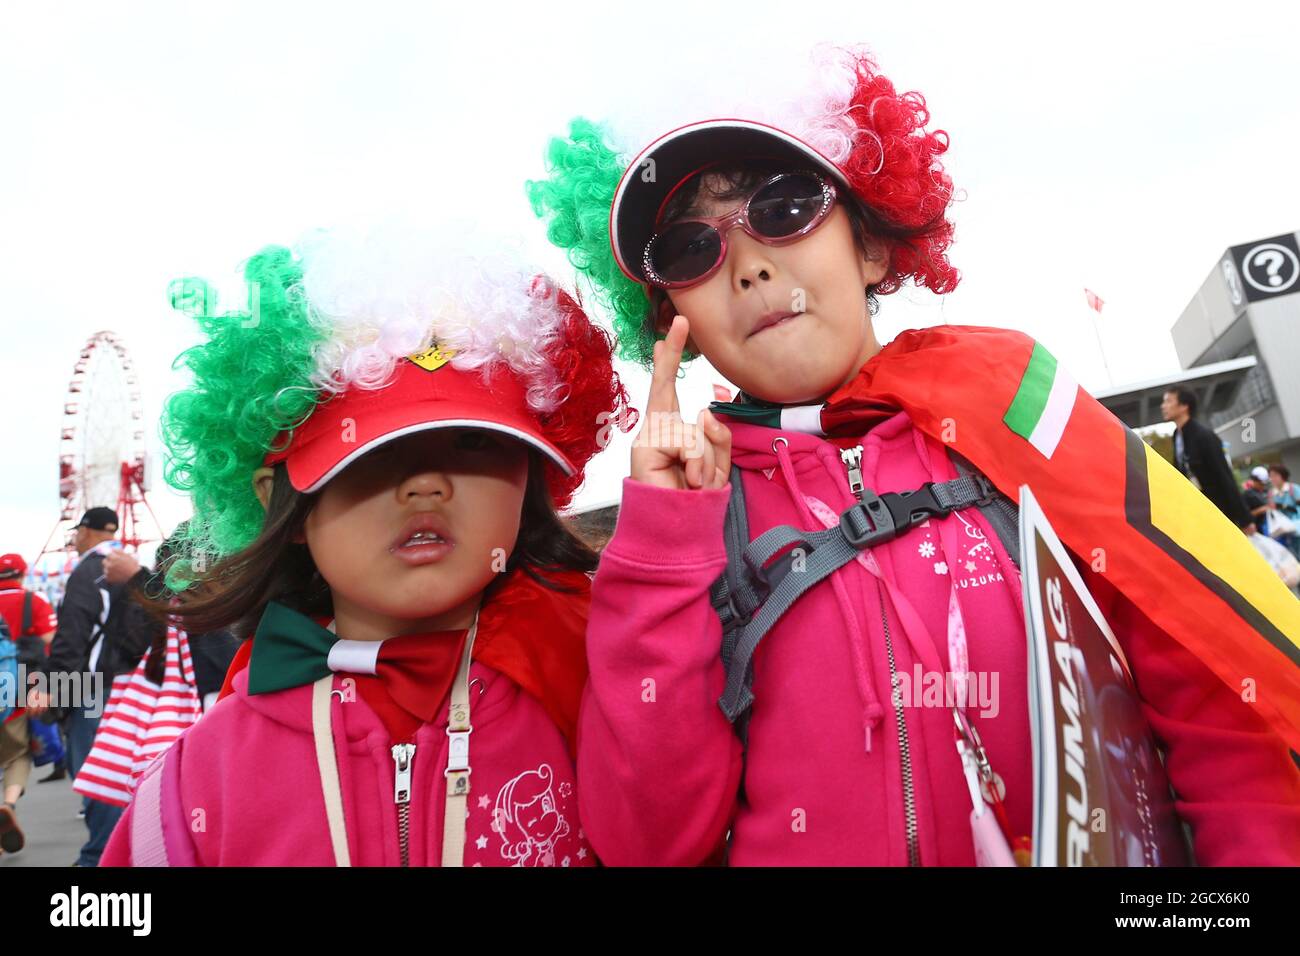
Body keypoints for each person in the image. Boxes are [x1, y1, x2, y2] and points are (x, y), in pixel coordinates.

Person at [529, 45, 1300, 866]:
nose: (750, 265)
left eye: (785, 207)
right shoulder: (680, 525)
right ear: (664, 312)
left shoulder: (1018, 404)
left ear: (870, 245)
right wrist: (662, 548)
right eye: (690, 249)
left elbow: (1216, 701)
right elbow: (649, 842)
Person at [101, 231, 634, 866]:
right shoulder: (197, 777)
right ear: (284, 504)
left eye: (473, 444)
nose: (427, 483)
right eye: (370, 454)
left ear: (531, 484)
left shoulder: (609, 698)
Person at [28, 507, 152, 866]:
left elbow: (73, 634)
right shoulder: (133, 566)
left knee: (95, 772)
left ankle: (99, 856)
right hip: (138, 683)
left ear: (86, 530)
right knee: (125, 770)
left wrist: (51, 684)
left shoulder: (88, 570)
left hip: (95, 686)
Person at [0, 552, 63, 782]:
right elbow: (51, 640)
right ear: (23, 574)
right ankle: (57, 762)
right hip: (29, 679)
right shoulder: (34, 601)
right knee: (34, 732)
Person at [1162, 386, 1253, 527]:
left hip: (1219, 511)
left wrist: (1245, 518)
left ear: (1184, 406)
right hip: (1197, 511)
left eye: (1168, 401)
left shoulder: (1204, 435)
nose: (1163, 406)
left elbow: (1224, 475)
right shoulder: (1177, 436)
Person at [1268, 464, 1300, 558]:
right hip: (1284, 530)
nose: (1272, 478)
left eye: (1275, 475)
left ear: (1282, 475)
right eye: (1271, 476)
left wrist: (1281, 506)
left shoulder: (1293, 488)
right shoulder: (1271, 494)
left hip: (1297, 526)